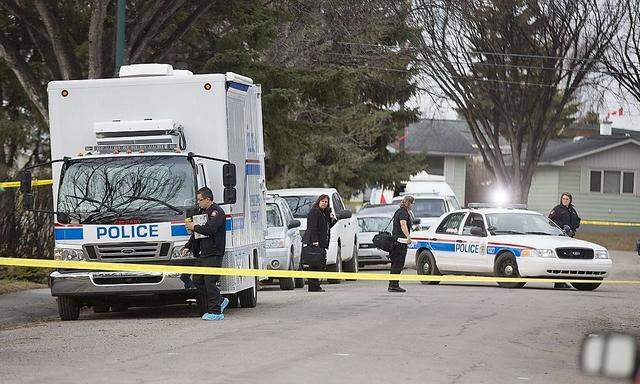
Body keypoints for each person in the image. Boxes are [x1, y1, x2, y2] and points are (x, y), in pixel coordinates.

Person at [183, 187, 229, 320]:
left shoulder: (216, 212)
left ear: (208, 199)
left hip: (214, 253)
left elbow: (210, 229)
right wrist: (188, 247)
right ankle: (220, 300)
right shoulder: (202, 212)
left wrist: (194, 227)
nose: (198, 203)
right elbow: (198, 234)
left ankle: (216, 312)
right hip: (203, 253)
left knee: (210, 282)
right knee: (197, 280)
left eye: (200, 200)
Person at [302, 194, 336, 292]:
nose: (324, 203)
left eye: (326, 202)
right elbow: (312, 227)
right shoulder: (314, 211)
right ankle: (313, 286)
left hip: (321, 242)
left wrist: (331, 216)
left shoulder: (323, 213)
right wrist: (315, 240)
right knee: (314, 265)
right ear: (318, 201)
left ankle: (315, 286)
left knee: (317, 264)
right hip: (314, 242)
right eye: (323, 201)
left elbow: (328, 226)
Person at [548, 192, 581, 289]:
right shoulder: (557, 209)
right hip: (559, 237)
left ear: (570, 200)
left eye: (567, 199)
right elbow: (550, 221)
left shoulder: (572, 210)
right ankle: (558, 282)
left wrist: (572, 228)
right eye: (563, 199)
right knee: (560, 259)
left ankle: (564, 280)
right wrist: (563, 226)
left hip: (570, 237)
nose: (565, 200)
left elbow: (577, 221)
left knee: (569, 260)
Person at [389, 195, 415, 293]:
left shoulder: (398, 211)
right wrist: (408, 236)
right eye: (412, 203)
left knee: (395, 263)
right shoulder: (404, 213)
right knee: (398, 263)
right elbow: (403, 224)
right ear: (409, 203)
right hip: (400, 241)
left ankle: (393, 284)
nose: (413, 206)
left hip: (395, 240)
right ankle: (394, 285)